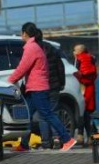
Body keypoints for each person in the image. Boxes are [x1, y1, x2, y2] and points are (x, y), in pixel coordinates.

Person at [8, 21, 76, 153]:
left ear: (25, 33)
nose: (20, 35)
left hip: (37, 87)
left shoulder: (31, 48)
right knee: (26, 115)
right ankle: (23, 144)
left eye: (21, 33)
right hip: (34, 87)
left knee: (47, 114)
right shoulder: (35, 47)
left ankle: (67, 139)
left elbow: (22, 67)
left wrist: (10, 80)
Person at [35, 29, 67, 150]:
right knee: (53, 113)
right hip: (54, 86)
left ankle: (46, 142)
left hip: (40, 87)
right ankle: (57, 138)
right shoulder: (52, 49)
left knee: (43, 115)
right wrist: (61, 83)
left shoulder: (33, 50)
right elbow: (60, 67)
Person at [73, 44, 97, 145]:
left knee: (81, 112)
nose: (73, 52)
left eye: (75, 50)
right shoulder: (91, 59)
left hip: (82, 87)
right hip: (90, 87)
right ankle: (91, 136)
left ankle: (80, 135)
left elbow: (77, 73)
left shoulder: (79, 59)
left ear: (79, 51)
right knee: (87, 113)